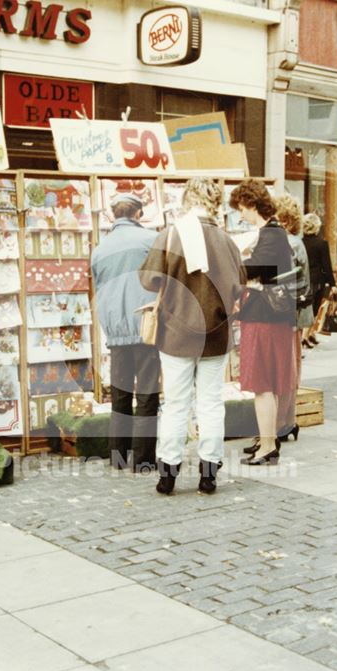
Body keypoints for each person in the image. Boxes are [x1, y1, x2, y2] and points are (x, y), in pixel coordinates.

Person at [139, 178, 244, 495]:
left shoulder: (171, 234)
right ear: (213, 202)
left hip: (176, 332)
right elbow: (240, 284)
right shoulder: (226, 240)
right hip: (216, 334)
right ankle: (209, 473)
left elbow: (148, 279)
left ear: (187, 199)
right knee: (211, 403)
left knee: (175, 404)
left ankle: (167, 474)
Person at [91, 193, 160, 472]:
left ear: (113, 215)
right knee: (146, 394)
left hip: (116, 330)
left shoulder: (100, 248)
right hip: (145, 325)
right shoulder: (150, 240)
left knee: (120, 394)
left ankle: (117, 456)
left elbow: (97, 289)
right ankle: (143, 460)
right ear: (139, 214)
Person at [229, 180, 295, 467]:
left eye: (242, 209)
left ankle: (267, 446)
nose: (240, 215)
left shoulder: (270, 234)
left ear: (252, 205)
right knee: (268, 381)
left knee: (262, 383)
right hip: (272, 317)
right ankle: (267, 438)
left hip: (263, 316)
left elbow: (255, 269)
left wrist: (234, 260)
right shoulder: (273, 233)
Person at [274, 194, 309, 445]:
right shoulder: (294, 242)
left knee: (284, 370)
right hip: (293, 316)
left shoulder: (288, 244)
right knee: (289, 369)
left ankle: (281, 423)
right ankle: (286, 421)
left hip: (285, 316)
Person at [300, 213, 335, 348]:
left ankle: (310, 334)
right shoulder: (322, 243)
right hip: (317, 280)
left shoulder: (301, 242)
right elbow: (327, 265)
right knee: (314, 309)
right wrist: (332, 283)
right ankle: (305, 336)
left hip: (303, 279)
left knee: (306, 307)